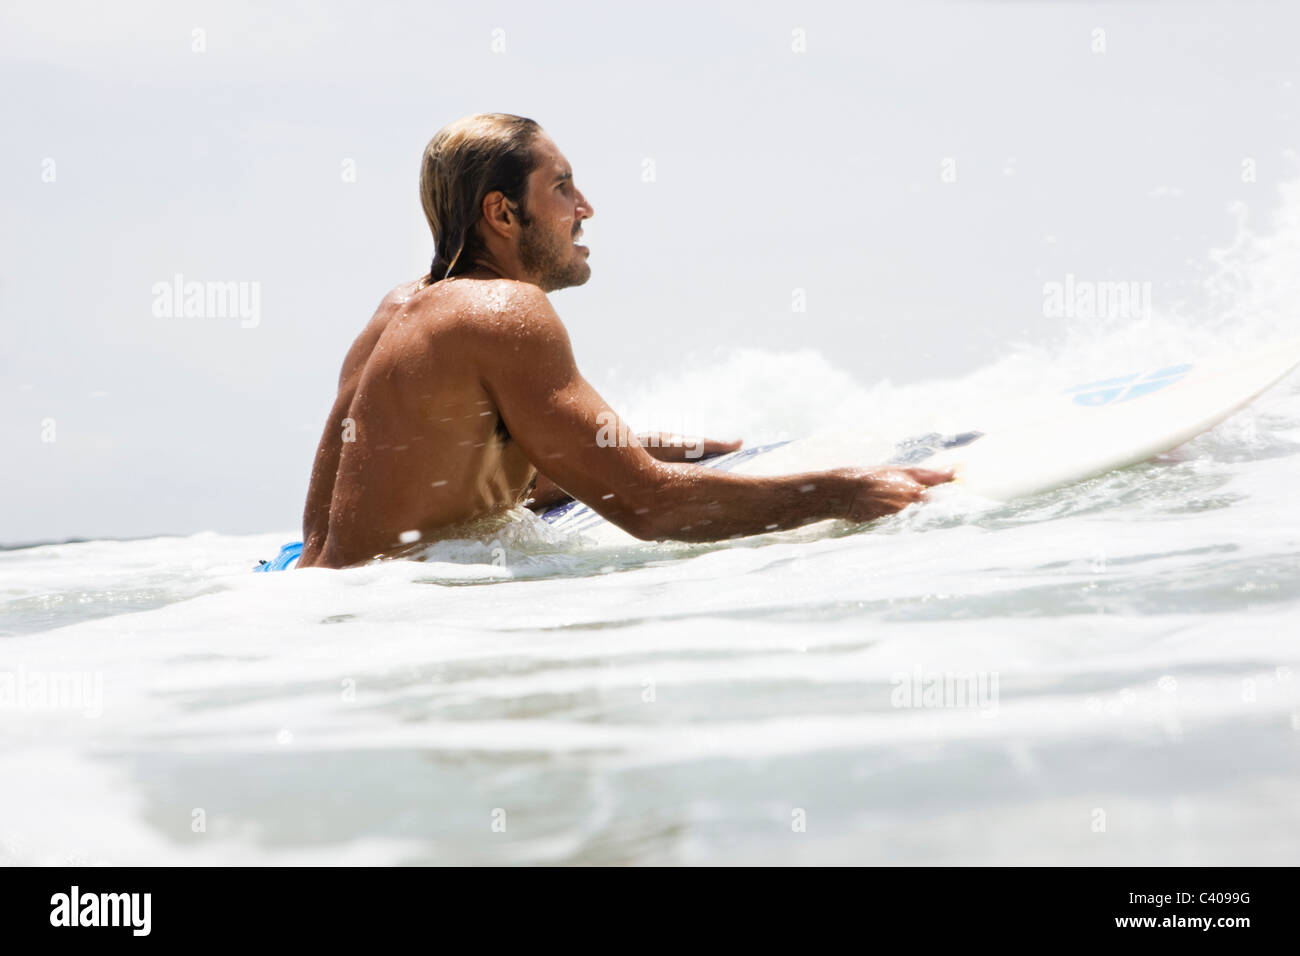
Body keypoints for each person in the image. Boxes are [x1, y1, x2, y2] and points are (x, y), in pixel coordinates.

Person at [297, 113, 952, 569]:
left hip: (319, 601)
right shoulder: (503, 310)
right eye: (561, 187)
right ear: (501, 213)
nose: (585, 207)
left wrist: (635, 449)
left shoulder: (399, 310)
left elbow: (438, 482)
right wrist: (850, 492)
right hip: (399, 623)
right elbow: (652, 509)